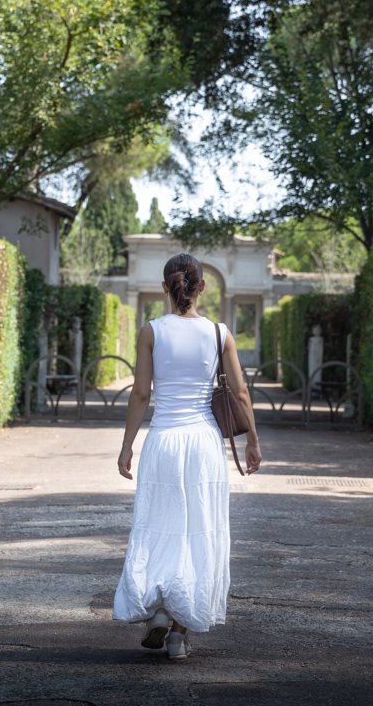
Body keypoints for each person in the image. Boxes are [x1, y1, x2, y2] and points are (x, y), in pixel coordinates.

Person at [112, 253, 262, 661]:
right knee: (199, 529)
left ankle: (159, 610)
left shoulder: (151, 331)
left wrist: (127, 445)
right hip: (204, 444)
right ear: (202, 287)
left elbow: (141, 394)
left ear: (165, 287)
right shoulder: (219, 333)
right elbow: (241, 393)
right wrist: (252, 441)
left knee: (160, 527)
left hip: (163, 441)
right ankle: (179, 633)